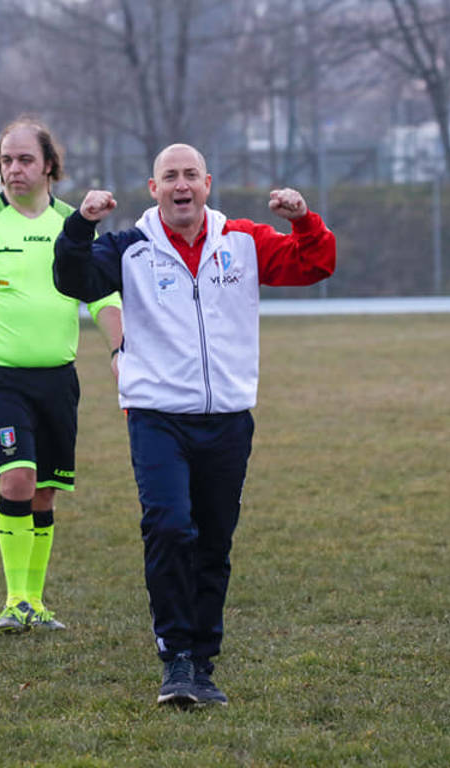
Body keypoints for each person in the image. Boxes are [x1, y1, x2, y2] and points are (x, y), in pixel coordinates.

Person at [53, 143, 336, 706]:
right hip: (157, 417)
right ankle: (175, 657)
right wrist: (81, 226)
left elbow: (314, 263)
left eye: (190, 176)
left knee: (212, 541)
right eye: (169, 177)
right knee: (169, 528)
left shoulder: (245, 241)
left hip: (228, 420)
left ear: (208, 183)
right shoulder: (129, 247)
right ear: (153, 189)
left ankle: (202, 661)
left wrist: (303, 219)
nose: (181, 185)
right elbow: (72, 279)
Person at [0, 117, 122, 634]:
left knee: (45, 491)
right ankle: (14, 600)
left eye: (24, 160)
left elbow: (102, 294)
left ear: (49, 167)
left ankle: (36, 603)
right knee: (17, 479)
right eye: (6, 160)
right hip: (0, 379)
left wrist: (119, 348)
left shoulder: (72, 225)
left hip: (58, 379)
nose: (13, 169)